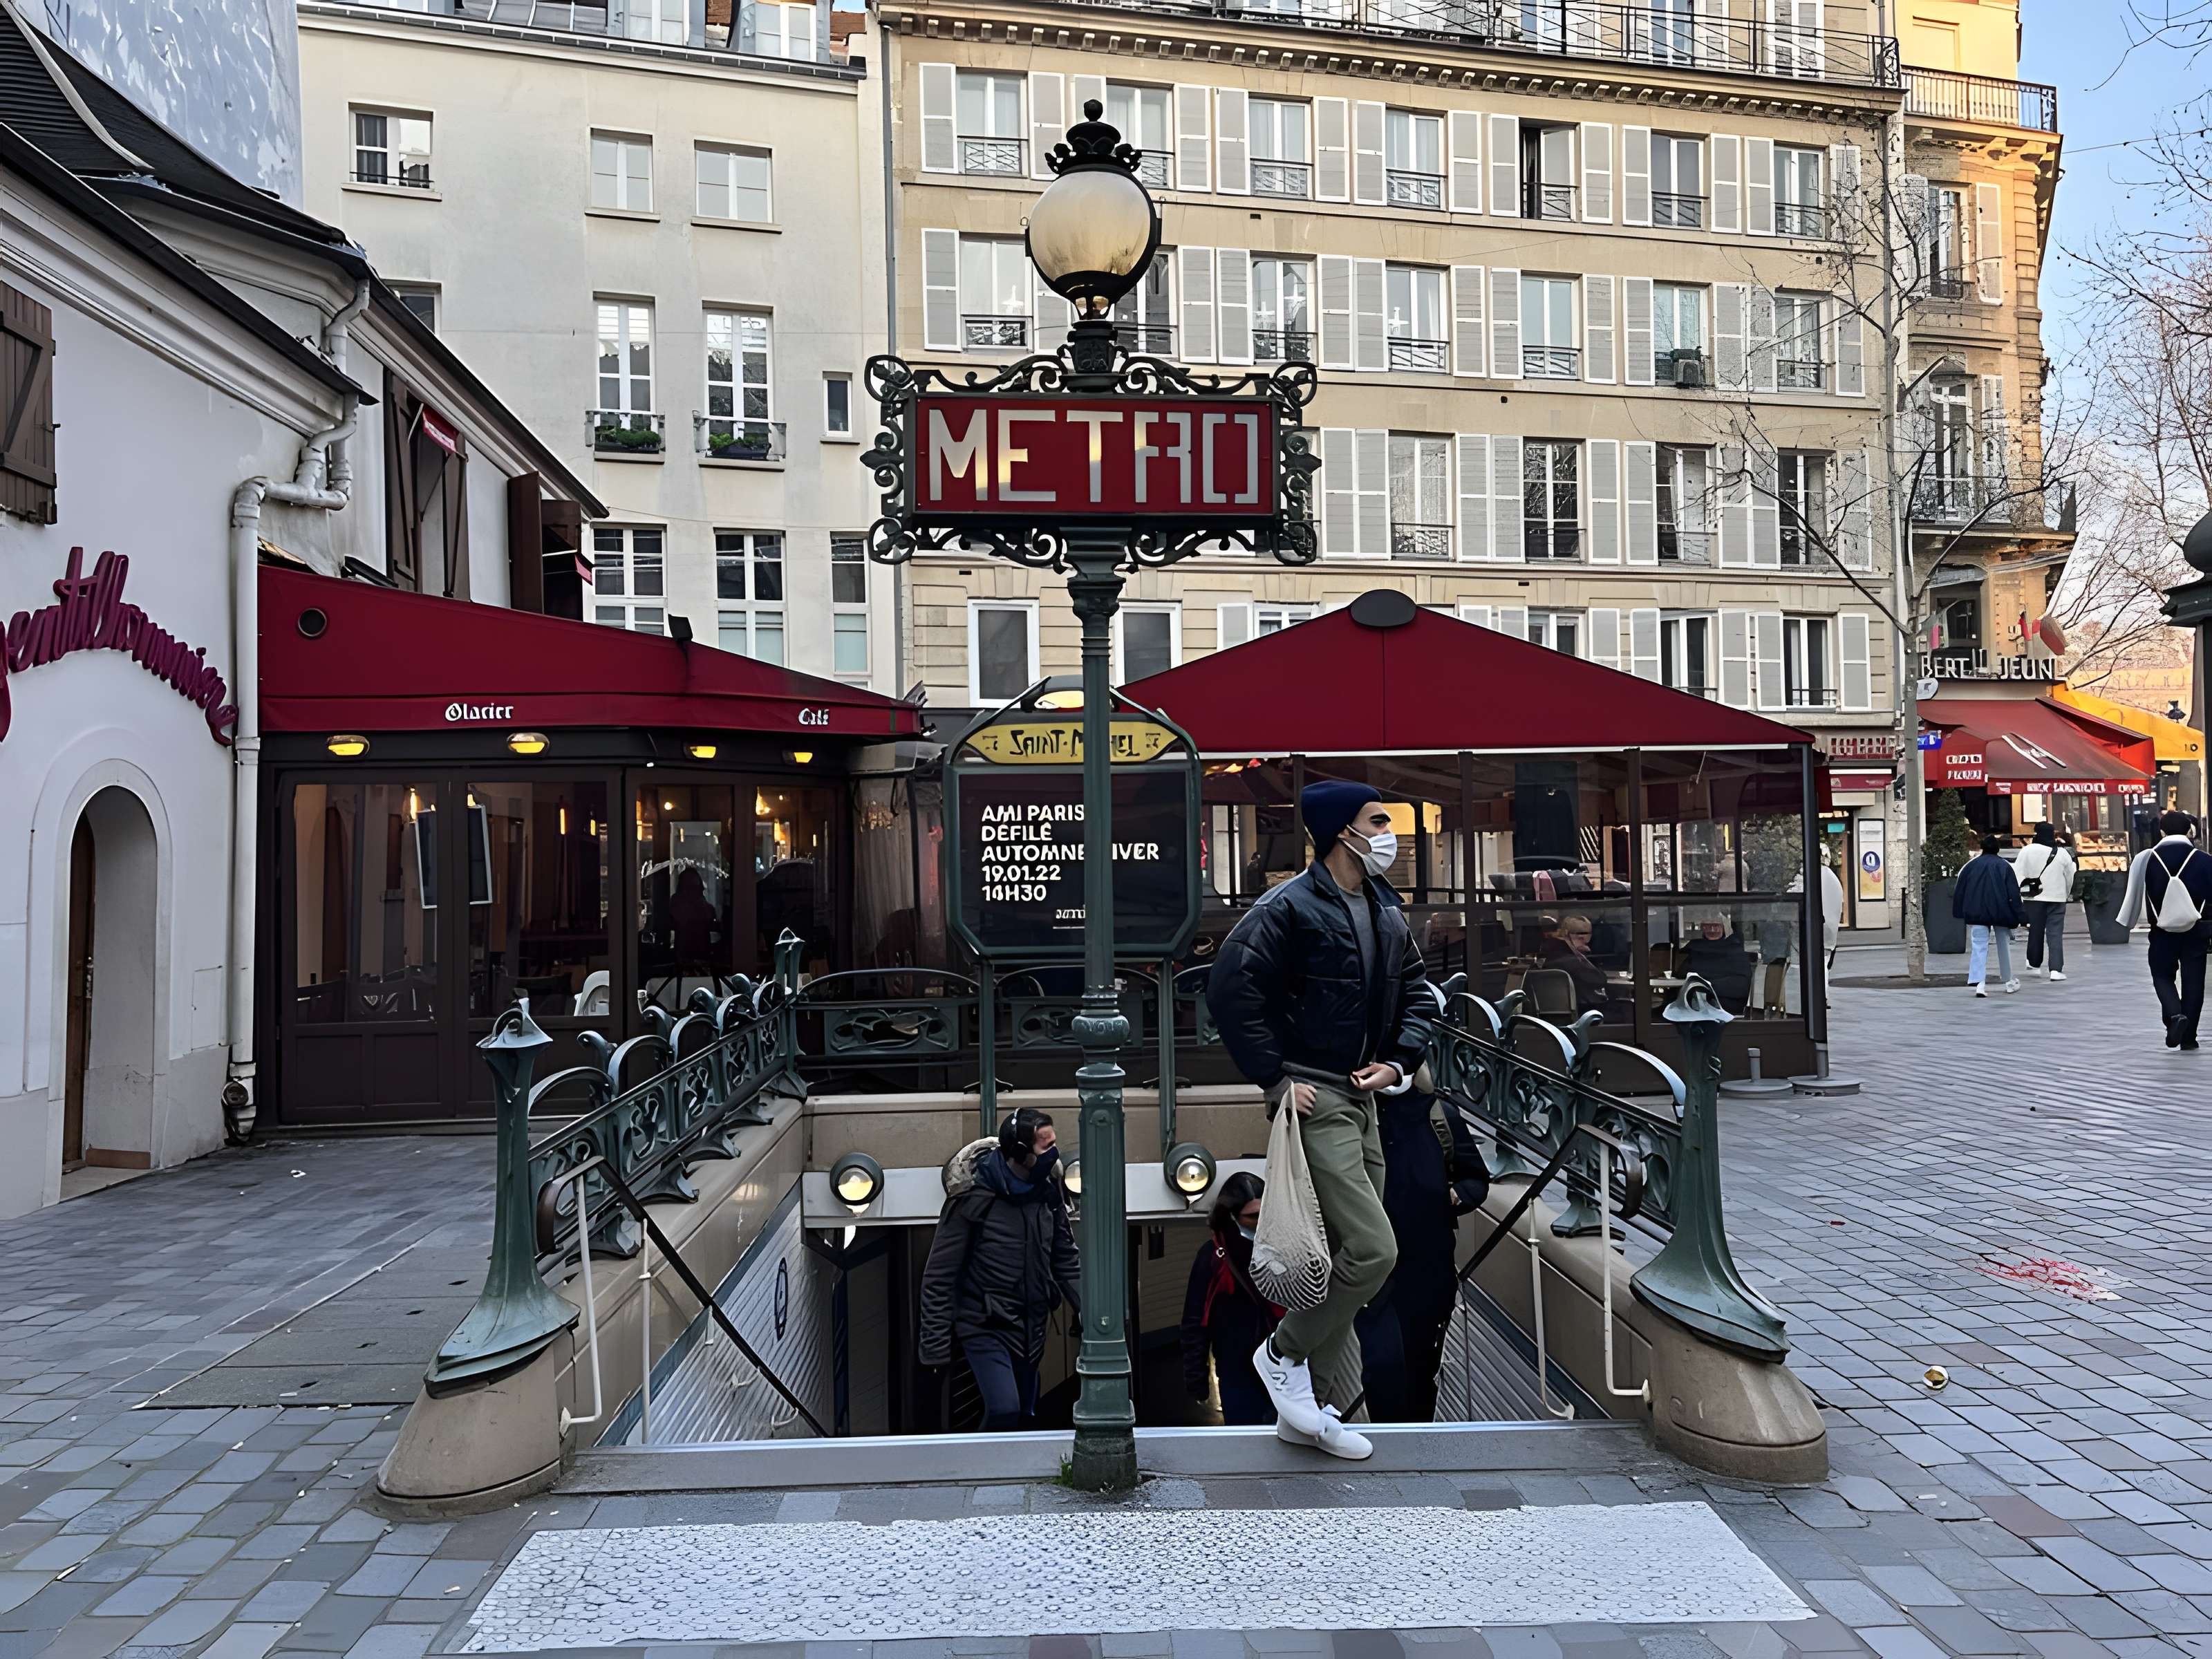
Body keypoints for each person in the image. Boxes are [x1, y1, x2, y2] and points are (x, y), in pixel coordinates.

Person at [1207, 781, 1436, 1461]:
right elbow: (1231, 986)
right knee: (1374, 1250)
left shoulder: (1384, 906)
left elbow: (1419, 992)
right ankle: (1281, 1353)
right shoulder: (1288, 906)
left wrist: (1397, 1063)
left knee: (1347, 1259)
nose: (1389, 833)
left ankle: (1312, 1414)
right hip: (1317, 1099)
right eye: (1377, 821)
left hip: (1363, 1097)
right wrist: (1276, 1079)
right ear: (1342, 830)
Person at [917, 1107, 1081, 1432]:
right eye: (1044, 1146)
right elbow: (940, 1276)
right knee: (1005, 1409)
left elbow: (1066, 1259)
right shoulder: (973, 1198)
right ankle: (978, 1462)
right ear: (1020, 1153)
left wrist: (1090, 1312)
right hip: (984, 1323)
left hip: (1032, 1325)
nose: (1053, 1153)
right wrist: (934, 1350)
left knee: (1025, 1413)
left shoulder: (1048, 1192)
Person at [1356, 1086, 1490, 1424]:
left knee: (1420, 1368)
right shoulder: (1351, 1114)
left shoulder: (1437, 1114)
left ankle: (1415, 1440)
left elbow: (1475, 1178)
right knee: (1382, 1365)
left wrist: (1455, 1196)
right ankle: (1390, 1442)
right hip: (1371, 1269)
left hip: (1428, 1268)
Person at [1179, 1172, 1280, 1425]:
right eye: (1252, 1216)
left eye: (1265, 1214)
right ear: (1231, 1216)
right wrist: (1197, 1380)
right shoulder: (1213, 1258)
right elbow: (1195, 1322)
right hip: (1237, 1372)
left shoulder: (1285, 1250)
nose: (1261, 1223)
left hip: (1282, 1367)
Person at [2116, 809, 2212, 1050]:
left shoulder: (2146, 858)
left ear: (2161, 832)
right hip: (2196, 929)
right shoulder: (2205, 860)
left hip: (2161, 930)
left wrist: (2128, 922)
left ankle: (2174, 1014)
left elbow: (2134, 895)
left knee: (2162, 975)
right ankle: (2188, 1038)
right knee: (2194, 981)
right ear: (2189, 831)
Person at [1953, 834, 2025, 997]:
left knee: (1979, 946)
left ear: (1982, 848)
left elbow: (1960, 890)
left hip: (1977, 912)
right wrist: (2020, 915)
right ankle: (2008, 981)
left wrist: (1959, 912)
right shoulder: (2004, 866)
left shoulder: (1970, 866)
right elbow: (2014, 893)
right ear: (1997, 849)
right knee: (2003, 946)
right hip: (2001, 912)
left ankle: (1979, 983)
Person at [2014, 822, 2077, 982]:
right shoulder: (2062, 853)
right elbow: (2070, 876)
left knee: (2035, 929)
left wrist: (2020, 895)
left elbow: (2018, 874)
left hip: (2033, 898)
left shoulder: (2027, 851)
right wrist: (2066, 893)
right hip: (2057, 898)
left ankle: (2034, 964)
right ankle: (2056, 970)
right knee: (2055, 933)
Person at [1536, 914, 1609, 1013]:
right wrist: (1586, 957)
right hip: (1578, 1011)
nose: (1585, 942)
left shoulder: (1549, 951)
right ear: (1567, 935)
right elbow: (1599, 979)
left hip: (1550, 1012)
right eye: (1580, 938)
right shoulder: (1568, 959)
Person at [1681, 916, 1755, 1012]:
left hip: (1728, 1008)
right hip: (1694, 1005)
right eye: (1709, 925)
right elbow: (1683, 976)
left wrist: (1706, 985)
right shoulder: (1693, 949)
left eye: (1716, 926)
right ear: (1703, 927)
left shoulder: (1736, 951)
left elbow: (1741, 986)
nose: (1712, 929)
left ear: (1723, 927)